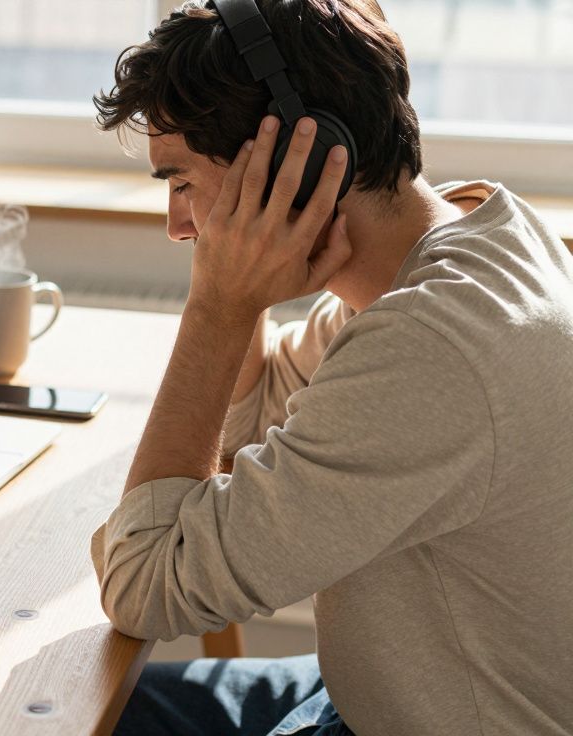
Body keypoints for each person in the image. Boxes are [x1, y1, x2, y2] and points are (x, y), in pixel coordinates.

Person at [87, 0, 573, 734]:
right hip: (380, 686)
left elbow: (146, 582)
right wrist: (236, 284)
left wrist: (218, 305)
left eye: (182, 183)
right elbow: (248, 424)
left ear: (300, 164)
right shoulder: (468, 244)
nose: (177, 225)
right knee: (87, 706)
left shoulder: (430, 349)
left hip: (419, 719)